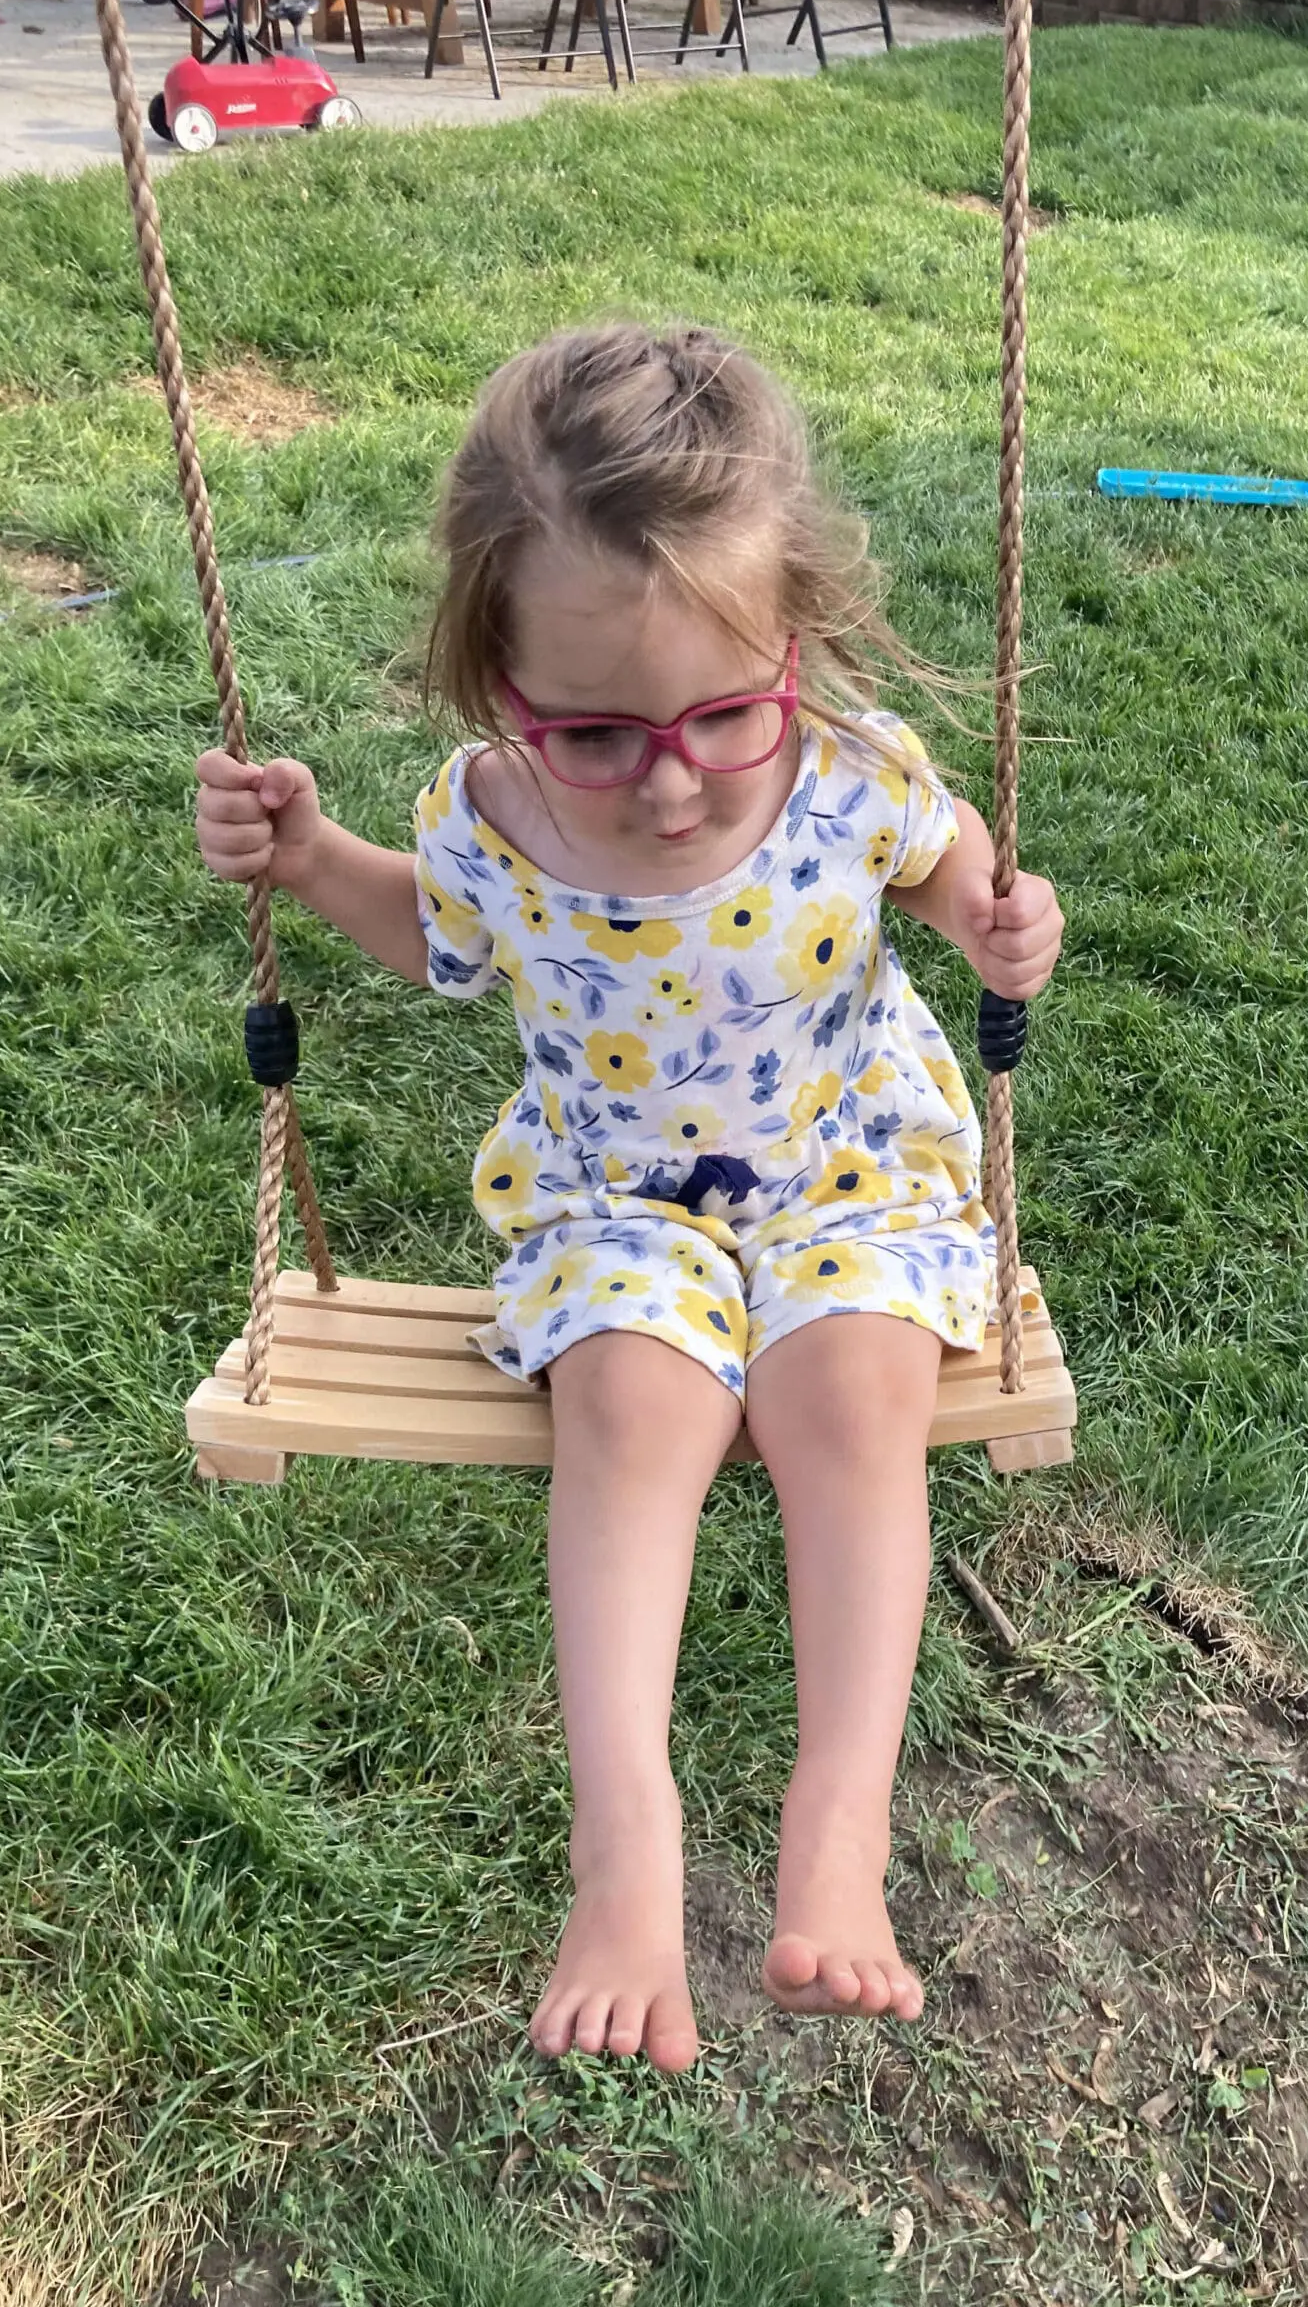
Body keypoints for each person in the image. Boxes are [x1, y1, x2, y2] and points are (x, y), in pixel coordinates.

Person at [195, 323, 1063, 2073]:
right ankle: (626, 1843)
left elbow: (964, 875)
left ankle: (840, 1821)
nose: (667, 782)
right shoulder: (492, 821)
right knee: (632, 1412)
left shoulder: (848, 769)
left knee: (854, 1399)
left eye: (719, 718)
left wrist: (1000, 926)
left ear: (792, 647)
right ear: (497, 686)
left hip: (848, 1158)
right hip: (617, 1196)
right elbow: (422, 932)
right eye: (593, 733)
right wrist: (307, 859)